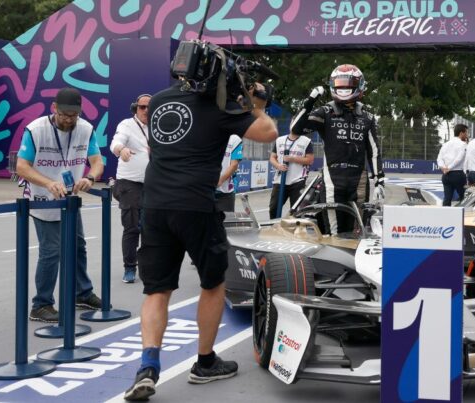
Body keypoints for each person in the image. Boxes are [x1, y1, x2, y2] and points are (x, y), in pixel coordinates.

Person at [123, 75, 277, 400]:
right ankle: (205, 362)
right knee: (213, 283)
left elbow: (156, 146)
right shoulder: (221, 106)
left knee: (156, 290)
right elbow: (267, 133)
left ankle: (148, 365)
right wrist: (256, 103)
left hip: (155, 202)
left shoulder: (161, 99)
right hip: (196, 204)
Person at [16, 87, 104, 322]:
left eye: (73, 116)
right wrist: (47, 183)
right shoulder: (36, 130)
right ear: (53, 108)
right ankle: (41, 304)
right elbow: (22, 166)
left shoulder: (86, 129)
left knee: (78, 247)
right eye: (64, 114)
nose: (68, 120)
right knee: (51, 252)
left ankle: (82, 294)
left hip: (70, 199)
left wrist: (90, 177)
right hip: (42, 199)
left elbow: (97, 162)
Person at [290, 64, 384, 234]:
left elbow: (374, 151)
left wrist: (379, 180)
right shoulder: (325, 112)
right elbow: (295, 129)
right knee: (334, 232)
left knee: (358, 231)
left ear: (359, 85)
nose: (344, 88)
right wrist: (310, 101)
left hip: (359, 181)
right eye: (340, 84)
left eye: (349, 84)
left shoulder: (367, 117)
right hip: (332, 180)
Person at [110, 94, 151, 283]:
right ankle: (129, 268)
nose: (146, 111)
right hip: (129, 183)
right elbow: (116, 142)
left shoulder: (158, 126)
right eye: (142, 107)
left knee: (151, 228)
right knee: (132, 227)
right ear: (135, 108)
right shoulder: (127, 125)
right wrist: (122, 150)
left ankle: (148, 266)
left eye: (150, 107)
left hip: (152, 184)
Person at [268, 131, 314, 218]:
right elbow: (272, 157)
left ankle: (294, 229)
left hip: (298, 180)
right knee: (273, 207)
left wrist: (292, 159)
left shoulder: (306, 141)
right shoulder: (279, 140)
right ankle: (274, 228)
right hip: (280, 180)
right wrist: (278, 166)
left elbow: (310, 160)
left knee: (296, 211)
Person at [437, 123, 468, 206]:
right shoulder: (463, 144)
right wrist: (449, 167)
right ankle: (463, 217)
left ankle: (445, 216)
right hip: (458, 174)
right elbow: (459, 158)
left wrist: (443, 168)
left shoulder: (446, 144)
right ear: (461, 133)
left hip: (446, 175)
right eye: (466, 133)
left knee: (447, 199)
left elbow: (439, 158)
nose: (467, 135)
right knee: (464, 198)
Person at [215, 134, 243, 213]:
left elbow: (234, 165)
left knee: (226, 222)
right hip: (204, 190)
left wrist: (220, 181)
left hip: (225, 192)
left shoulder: (235, 139)